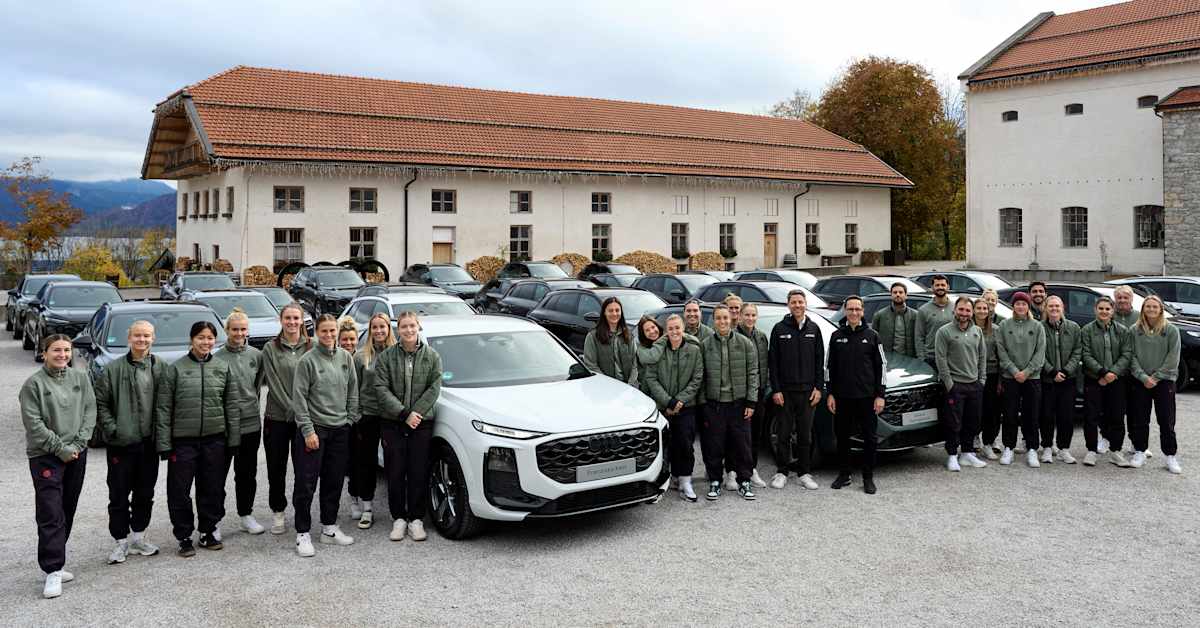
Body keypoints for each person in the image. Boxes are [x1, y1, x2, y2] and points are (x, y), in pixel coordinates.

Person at [155, 321, 239, 557]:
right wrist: (164, 443)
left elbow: (231, 405)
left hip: (215, 440)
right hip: (183, 442)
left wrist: (233, 439)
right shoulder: (176, 369)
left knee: (211, 488)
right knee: (179, 491)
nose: (206, 342)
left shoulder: (222, 368)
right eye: (201, 337)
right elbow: (163, 408)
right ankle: (183, 536)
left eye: (210, 338)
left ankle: (207, 531)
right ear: (192, 339)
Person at [21, 334, 95, 598]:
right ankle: (52, 570)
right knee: (50, 511)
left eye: (66, 350)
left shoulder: (80, 379)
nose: (62, 355)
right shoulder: (33, 385)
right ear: (44, 353)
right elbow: (34, 423)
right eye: (56, 350)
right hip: (46, 456)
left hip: (76, 453)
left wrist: (78, 443)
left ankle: (58, 558)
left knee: (67, 507)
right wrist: (60, 448)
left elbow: (90, 412)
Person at [96, 320, 164, 565]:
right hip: (121, 444)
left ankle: (138, 536)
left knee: (145, 493)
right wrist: (113, 430)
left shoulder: (160, 367)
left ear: (153, 338)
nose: (142, 340)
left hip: (149, 444)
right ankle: (120, 541)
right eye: (137, 335)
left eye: (146, 336)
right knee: (118, 494)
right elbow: (101, 403)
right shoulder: (113, 369)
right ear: (129, 338)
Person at [291, 314, 360, 556]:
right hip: (315, 431)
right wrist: (308, 430)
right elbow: (299, 399)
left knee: (333, 482)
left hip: (340, 429)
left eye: (333, 331)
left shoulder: (345, 358)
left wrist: (349, 420)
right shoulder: (307, 361)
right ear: (316, 333)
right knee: (306, 483)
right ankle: (302, 533)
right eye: (324, 331)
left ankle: (329, 528)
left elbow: (353, 390)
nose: (329, 336)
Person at [374, 311, 443, 542]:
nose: (408, 330)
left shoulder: (432, 356)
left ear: (418, 327)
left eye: (412, 326)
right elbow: (381, 388)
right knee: (395, 471)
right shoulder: (386, 357)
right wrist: (404, 414)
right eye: (404, 327)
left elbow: (435, 386)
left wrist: (417, 414)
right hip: (393, 422)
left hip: (421, 424)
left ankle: (416, 519)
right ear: (398, 330)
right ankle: (399, 519)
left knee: (417, 471)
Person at [212, 309, 266, 538]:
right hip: (224, 425)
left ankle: (246, 514)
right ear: (227, 331)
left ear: (248, 331)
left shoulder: (256, 355)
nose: (239, 333)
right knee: (216, 475)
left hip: (250, 424)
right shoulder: (216, 358)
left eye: (243, 329)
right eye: (235, 329)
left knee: (246, 473)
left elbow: (257, 387)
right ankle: (213, 521)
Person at [260, 302, 312, 534]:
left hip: (305, 421)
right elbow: (273, 382)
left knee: (304, 470)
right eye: (288, 318)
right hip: (277, 418)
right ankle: (278, 512)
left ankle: (302, 511)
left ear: (302, 321)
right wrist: (292, 408)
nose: (292, 322)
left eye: (296, 318)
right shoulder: (270, 349)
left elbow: (315, 383)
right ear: (281, 321)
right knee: (276, 468)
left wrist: (301, 413)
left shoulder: (313, 346)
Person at [827, 296, 886, 493]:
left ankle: (868, 477)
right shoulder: (836, 336)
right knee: (842, 437)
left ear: (862, 311)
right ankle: (844, 474)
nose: (853, 313)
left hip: (867, 398)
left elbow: (882, 367)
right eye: (850, 309)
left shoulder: (872, 335)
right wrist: (830, 393)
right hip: (842, 398)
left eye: (857, 309)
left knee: (870, 438)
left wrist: (880, 395)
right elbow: (830, 368)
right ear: (845, 310)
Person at [699, 305, 758, 500]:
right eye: (718, 318)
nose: (722, 322)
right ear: (713, 321)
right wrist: (704, 405)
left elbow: (753, 373)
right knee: (714, 445)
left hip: (739, 404)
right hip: (714, 405)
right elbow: (700, 377)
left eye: (725, 318)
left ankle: (745, 481)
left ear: (731, 319)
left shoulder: (744, 343)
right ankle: (715, 481)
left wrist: (751, 402)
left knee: (742, 445)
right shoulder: (705, 345)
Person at [767, 289, 824, 490]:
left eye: (800, 302)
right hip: (785, 393)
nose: (798, 305)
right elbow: (772, 363)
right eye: (794, 302)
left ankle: (804, 472)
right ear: (788, 305)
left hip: (808, 393)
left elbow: (819, 362)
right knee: (783, 434)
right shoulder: (779, 329)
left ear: (805, 304)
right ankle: (782, 472)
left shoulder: (814, 329)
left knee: (805, 435)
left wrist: (819, 387)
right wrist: (776, 390)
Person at [643, 314, 705, 501]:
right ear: (666, 331)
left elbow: (697, 378)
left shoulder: (694, 350)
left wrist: (680, 400)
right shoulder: (659, 350)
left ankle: (685, 480)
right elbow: (651, 378)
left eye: (677, 328)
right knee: (664, 445)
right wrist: (668, 401)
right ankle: (664, 479)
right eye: (670, 329)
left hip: (686, 406)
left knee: (685, 443)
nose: (674, 332)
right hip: (664, 406)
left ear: (683, 328)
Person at [1128, 295, 1183, 473]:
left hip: (1164, 381)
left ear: (1161, 309)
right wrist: (1144, 377)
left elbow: (1173, 358)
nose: (1151, 309)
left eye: (1155, 307)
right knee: (1139, 419)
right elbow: (1131, 357)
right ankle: (1140, 451)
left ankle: (1170, 456)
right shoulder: (1134, 330)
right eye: (1148, 306)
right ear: (1143, 309)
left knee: (1166, 420)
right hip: (1140, 381)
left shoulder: (1171, 330)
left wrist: (1156, 377)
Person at [351, 312, 395, 529]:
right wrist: (357, 414)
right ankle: (366, 506)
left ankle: (397, 508)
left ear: (388, 329)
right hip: (367, 415)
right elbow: (353, 388)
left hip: (390, 416)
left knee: (393, 462)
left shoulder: (396, 354)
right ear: (370, 330)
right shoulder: (361, 357)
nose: (379, 331)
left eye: (382, 327)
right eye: (375, 327)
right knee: (366, 463)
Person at [934, 297, 989, 472]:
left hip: (974, 385)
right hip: (955, 385)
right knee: (953, 423)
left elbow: (982, 357)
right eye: (961, 310)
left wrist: (982, 380)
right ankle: (951, 455)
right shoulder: (944, 331)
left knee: (972, 422)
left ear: (971, 312)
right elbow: (941, 359)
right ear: (955, 310)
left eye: (967, 310)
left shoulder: (977, 331)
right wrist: (949, 384)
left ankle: (967, 453)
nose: (964, 313)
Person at [1080, 296, 1134, 467]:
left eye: (1107, 309)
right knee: (1091, 416)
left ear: (1112, 311)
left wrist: (1113, 373)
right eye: (1101, 308)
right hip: (1094, 379)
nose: (1104, 312)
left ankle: (1116, 451)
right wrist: (1102, 373)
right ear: (1095, 310)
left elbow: (1127, 354)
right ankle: (1091, 451)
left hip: (1116, 380)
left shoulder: (1122, 330)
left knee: (1117, 416)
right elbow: (1085, 354)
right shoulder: (1087, 330)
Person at [996, 292, 1046, 467]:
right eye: (1017, 304)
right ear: (1013, 306)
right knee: (1009, 414)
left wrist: (1027, 372)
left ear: (1028, 306)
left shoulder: (1037, 326)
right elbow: (1001, 351)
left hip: (1032, 378)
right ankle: (1008, 447)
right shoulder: (1004, 325)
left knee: (1031, 415)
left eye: (1024, 304)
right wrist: (1014, 371)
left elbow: (1040, 353)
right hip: (1010, 378)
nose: (1021, 307)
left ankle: (1032, 449)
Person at [1039, 296, 1081, 464]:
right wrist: (1052, 371)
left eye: (1057, 306)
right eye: (1051, 306)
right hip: (1047, 380)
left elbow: (1077, 351)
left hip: (1067, 380)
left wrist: (1065, 371)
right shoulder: (1039, 327)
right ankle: (1047, 447)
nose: (1054, 309)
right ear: (1045, 308)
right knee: (1046, 416)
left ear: (1062, 307)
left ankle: (1064, 449)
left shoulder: (1074, 327)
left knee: (1066, 416)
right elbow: (1038, 352)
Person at [733, 303, 771, 489]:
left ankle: (752, 468)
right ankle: (734, 471)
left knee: (756, 434)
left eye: (753, 315)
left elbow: (766, 365)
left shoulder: (762, 337)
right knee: (740, 436)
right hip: (740, 394)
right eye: (746, 314)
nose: (750, 318)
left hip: (759, 393)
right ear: (740, 316)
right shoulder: (734, 337)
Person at [582, 296, 638, 386]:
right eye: (610, 310)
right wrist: (608, 384)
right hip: (605, 387)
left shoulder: (628, 335)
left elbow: (636, 363)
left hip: (628, 387)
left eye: (617, 310)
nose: (614, 313)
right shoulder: (593, 336)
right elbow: (591, 365)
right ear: (604, 313)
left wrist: (630, 384)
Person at [972, 299, 1003, 460]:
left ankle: (988, 443)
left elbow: (1001, 355)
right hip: (972, 373)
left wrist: (999, 381)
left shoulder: (996, 330)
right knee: (975, 410)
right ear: (973, 310)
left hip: (991, 373)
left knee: (991, 411)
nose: (982, 311)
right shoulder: (968, 329)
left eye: (985, 308)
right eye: (979, 308)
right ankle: (973, 437)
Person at [914, 275, 954, 367]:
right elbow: (919, 337)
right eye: (937, 285)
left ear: (948, 287)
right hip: (931, 358)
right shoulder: (923, 310)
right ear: (932, 288)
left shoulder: (956, 308)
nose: (940, 287)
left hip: (952, 357)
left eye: (943, 285)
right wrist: (922, 359)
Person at [871, 282, 918, 358]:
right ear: (891, 295)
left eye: (901, 292)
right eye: (895, 292)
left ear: (906, 295)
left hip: (910, 360)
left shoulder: (915, 315)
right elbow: (873, 340)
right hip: (888, 359)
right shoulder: (880, 315)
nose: (898, 294)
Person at [635, 315, 665, 394]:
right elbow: (653, 357)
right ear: (643, 334)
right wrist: (662, 341)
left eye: (653, 327)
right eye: (647, 330)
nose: (652, 331)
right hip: (649, 391)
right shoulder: (640, 348)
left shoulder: (668, 340)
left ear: (657, 326)